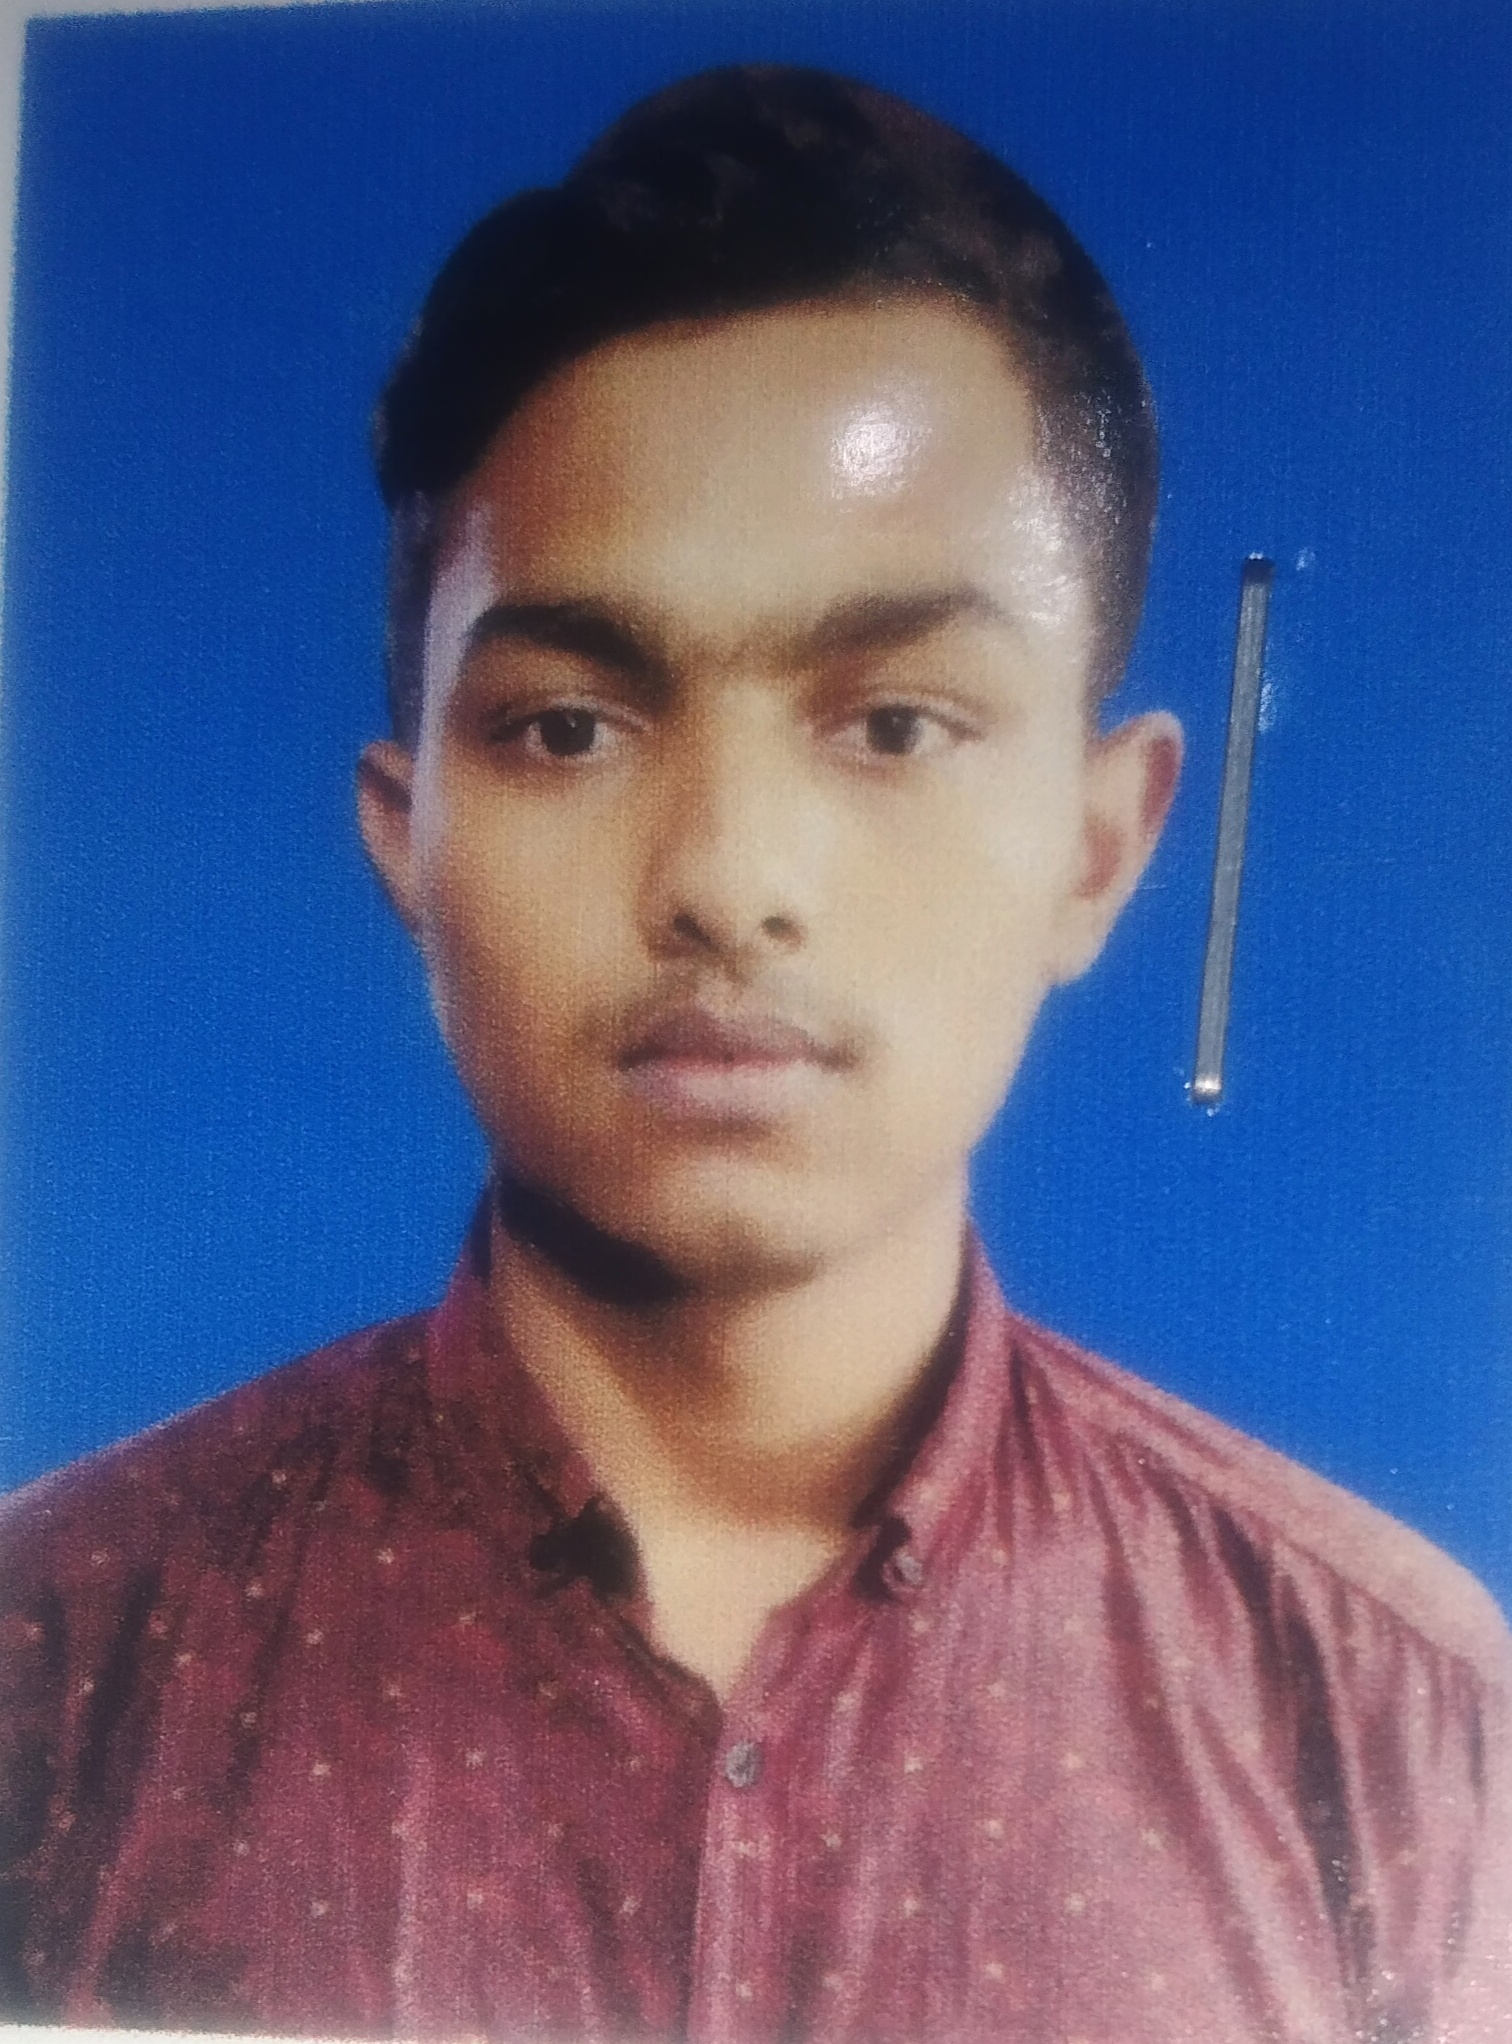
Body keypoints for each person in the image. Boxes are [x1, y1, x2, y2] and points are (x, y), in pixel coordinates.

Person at [1, 63, 1507, 2044]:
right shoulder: (56, 1664)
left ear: (1101, 843)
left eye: (893, 724)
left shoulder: (1396, 1716)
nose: (726, 880)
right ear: (406, 835)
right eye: (568, 726)